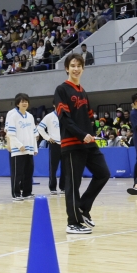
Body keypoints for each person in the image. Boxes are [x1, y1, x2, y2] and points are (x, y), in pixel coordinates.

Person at [55, 52, 110, 235]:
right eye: (72, 66)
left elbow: (88, 117)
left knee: (103, 173)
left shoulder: (83, 92)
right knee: (73, 184)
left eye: (79, 66)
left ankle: (83, 208)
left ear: (83, 69)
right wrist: (81, 135)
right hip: (72, 144)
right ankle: (73, 222)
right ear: (66, 68)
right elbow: (64, 118)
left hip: (89, 143)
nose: (76, 69)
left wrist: (91, 135)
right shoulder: (61, 90)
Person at [5, 93, 37, 201]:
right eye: (22, 101)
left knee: (28, 172)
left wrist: (35, 148)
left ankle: (27, 193)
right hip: (17, 150)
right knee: (17, 173)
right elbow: (10, 134)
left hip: (29, 150)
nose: (24, 103)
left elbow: (34, 134)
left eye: (26, 101)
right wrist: (19, 145)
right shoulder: (13, 116)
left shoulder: (30, 116)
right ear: (17, 103)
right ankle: (16, 194)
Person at [37, 107, 62, 195]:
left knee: (66, 167)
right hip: (54, 144)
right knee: (53, 167)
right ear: (54, 105)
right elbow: (40, 128)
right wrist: (48, 138)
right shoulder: (49, 116)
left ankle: (63, 187)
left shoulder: (67, 114)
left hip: (66, 144)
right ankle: (52, 187)